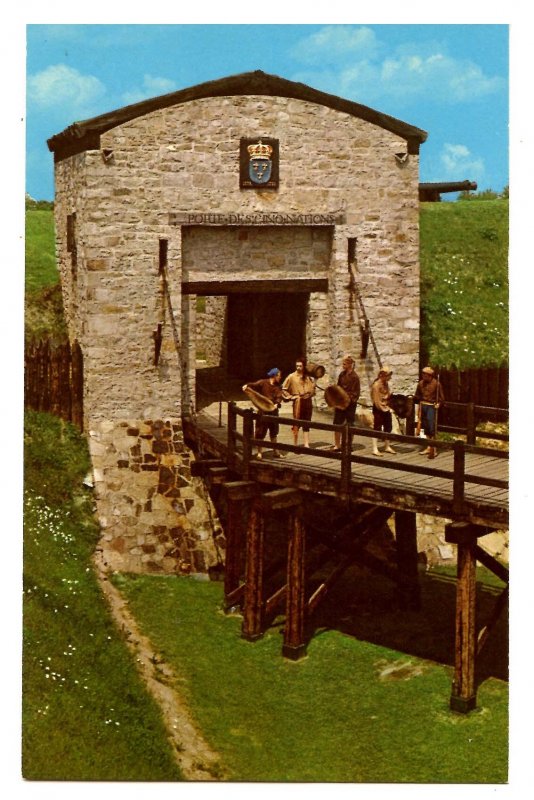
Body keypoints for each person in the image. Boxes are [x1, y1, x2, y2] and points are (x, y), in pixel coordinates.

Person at [242, 367, 284, 459]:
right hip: (263, 411)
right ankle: (259, 453)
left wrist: (277, 404)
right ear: (274, 376)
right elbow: (254, 385)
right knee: (260, 432)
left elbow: (279, 397)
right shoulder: (263, 382)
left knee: (274, 432)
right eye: (279, 376)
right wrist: (247, 386)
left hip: (273, 412)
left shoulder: (278, 387)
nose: (280, 378)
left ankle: (275, 451)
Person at [282, 357, 316, 448]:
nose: (298, 368)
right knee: (296, 422)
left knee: (307, 422)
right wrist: (291, 397)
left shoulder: (308, 377)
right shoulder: (291, 376)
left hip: (307, 401)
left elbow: (313, 390)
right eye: (297, 366)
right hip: (298, 402)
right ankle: (295, 444)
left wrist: (311, 393)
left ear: (303, 366)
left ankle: (306, 443)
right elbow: (284, 389)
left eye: (300, 366)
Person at [331, 354, 361, 451]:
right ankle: (337, 445)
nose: (343, 365)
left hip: (350, 405)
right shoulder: (341, 375)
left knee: (350, 424)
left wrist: (348, 399)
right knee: (337, 423)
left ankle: (348, 445)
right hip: (340, 404)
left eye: (344, 364)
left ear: (350, 364)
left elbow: (356, 393)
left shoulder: (355, 377)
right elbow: (339, 388)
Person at [414, 366, 445, 456]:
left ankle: (433, 448)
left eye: (425, 374)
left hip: (432, 407)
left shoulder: (437, 384)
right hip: (423, 406)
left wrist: (439, 403)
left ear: (430, 375)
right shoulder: (420, 384)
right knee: (426, 427)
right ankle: (428, 447)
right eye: (422, 374)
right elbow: (417, 395)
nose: (423, 376)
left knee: (432, 427)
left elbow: (442, 398)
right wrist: (415, 399)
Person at [370, 366, 396, 456]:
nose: (390, 377)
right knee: (377, 427)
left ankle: (387, 446)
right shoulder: (376, 385)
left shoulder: (386, 384)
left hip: (386, 407)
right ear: (384, 375)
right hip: (379, 408)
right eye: (388, 375)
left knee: (388, 426)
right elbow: (376, 400)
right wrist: (383, 408)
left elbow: (387, 394)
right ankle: (375, 448)